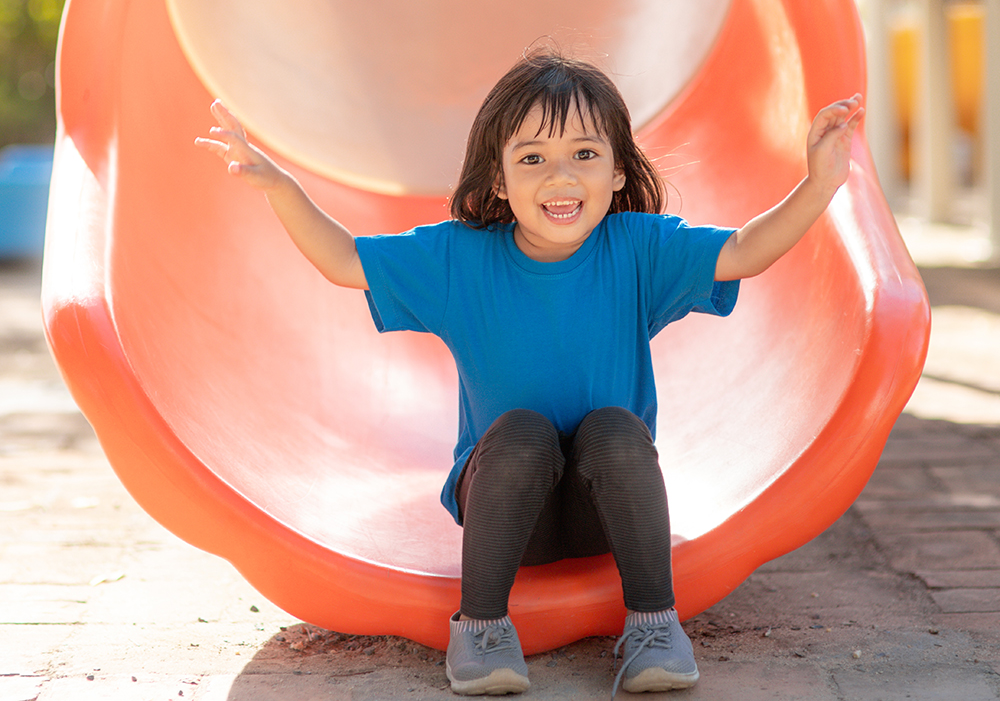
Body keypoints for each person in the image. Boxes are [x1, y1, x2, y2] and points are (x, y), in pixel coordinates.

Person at [195, 45, 863, 696]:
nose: (560, 177)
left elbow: (744, 251)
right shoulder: (461, 258)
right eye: (533, 159)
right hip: (509, 512)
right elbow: (345, 262)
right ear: (498, 180)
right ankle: (481, 629)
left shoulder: (637, 247)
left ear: (619, 172)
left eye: (584, 155)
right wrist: (280, 189)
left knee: (615, 432)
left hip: (608, 510)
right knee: (520, 433)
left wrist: (819, 183)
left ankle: (655, 628)